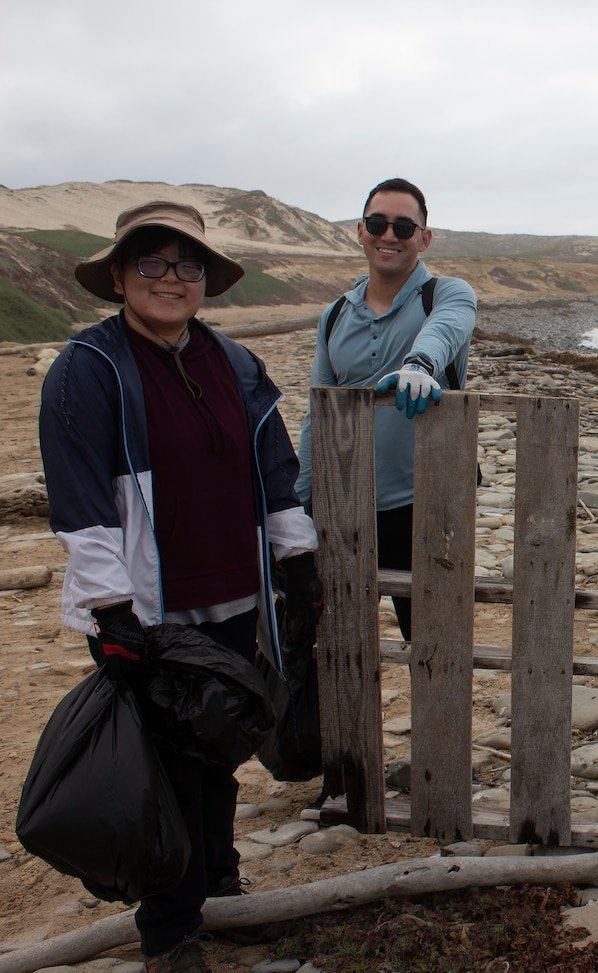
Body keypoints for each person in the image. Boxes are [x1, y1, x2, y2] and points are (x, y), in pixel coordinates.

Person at [39, 201, 321, 973]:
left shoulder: (232, 362)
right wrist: (111, 609)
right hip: (149, 609)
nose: (171, 279)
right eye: (153, 264)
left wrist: (296, 558)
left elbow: (274, 467)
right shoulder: (88, 370)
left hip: (234, 593)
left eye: (186, 265)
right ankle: (169, 931)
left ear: (206, 280)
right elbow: (80, 499)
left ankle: (218, 885)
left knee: (219, 744)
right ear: (122, 277)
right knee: (164, 765)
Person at [294, 178, 477, 640]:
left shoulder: (449, 293)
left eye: (403, 226)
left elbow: (445, 331)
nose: (389, 235)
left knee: (435, 645)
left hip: (429, 501)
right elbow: (319, 410)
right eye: (378, 223)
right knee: (337, 643)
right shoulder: (335, 314)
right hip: (345, 502)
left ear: (424, 237)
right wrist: (299, 500)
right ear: (360, 231)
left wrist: (419, 364)